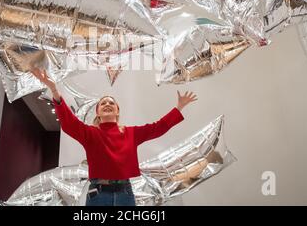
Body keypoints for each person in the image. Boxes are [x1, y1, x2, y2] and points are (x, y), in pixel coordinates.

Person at [32, 68, 197, 206]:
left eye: (111, 103)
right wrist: (54, 89)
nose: (108, 104)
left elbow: (157, 128)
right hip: (98, 195)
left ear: (117, 111)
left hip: (125, 193)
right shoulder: (90, 133)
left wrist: (179, 107)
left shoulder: (130, 133)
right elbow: (68, 123)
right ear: (97, 112)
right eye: (103, 103)